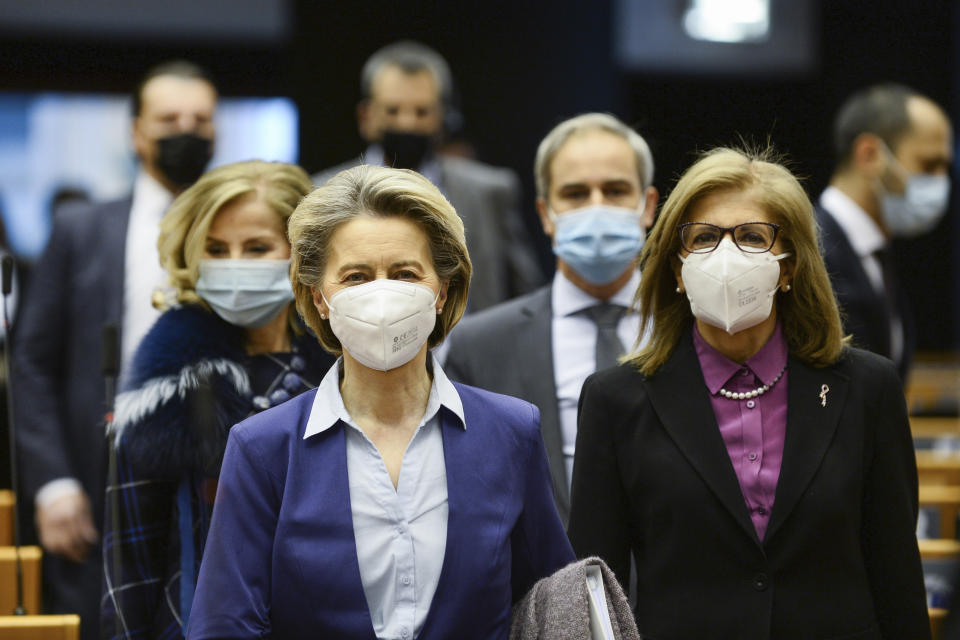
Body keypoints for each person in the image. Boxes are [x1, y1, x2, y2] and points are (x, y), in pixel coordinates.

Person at [186, 165, 574, 639]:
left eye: (405, 273)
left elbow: (552, 606)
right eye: (355, 276)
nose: (382, 293)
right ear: (320, 297)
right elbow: (225, 624)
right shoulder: (262, 447)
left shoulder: (511, 432)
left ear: (441, 290)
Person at [568, 147, 930, 638]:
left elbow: (896, 575)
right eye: (704, 238)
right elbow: (595, 592)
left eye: (751, 237)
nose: (726, 255)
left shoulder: (867, 388)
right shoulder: (617, 399)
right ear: (677, 268)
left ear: (790, 266)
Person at [12, 60, 217, 640]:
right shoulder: (81, 229)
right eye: (169, 118)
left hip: (215, 476)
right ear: (136, 132)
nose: (186, 129)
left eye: (200, 119)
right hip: (96, 472)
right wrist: (52, 485)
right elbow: (31, 363)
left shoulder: (244, 231)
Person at [100, 161, 335, 639]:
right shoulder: (164, 384)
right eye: (215, 249)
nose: (234, 265)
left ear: (302, 252)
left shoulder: (346, 370)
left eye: (256, 248)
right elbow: (130, 563)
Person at [445, 113, 657, 524]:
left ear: (648, 206)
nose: (596, 207)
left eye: (615, 191)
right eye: (575, 194)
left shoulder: (694, 331)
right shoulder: (479, 347)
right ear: (545, 213)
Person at [313, 40, 543, 312]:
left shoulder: (489, 192)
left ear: (443, 117)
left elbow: (525, 296)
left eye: (422, 111)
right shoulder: (321, 194)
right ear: (367, 116)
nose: (407, 123)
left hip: (467, 350)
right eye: (393, 110)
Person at [818, 83, 953, 379]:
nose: (941, 182)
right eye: (929, 165)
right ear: (868, 155)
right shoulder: (810, 251)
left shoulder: (878, 253)